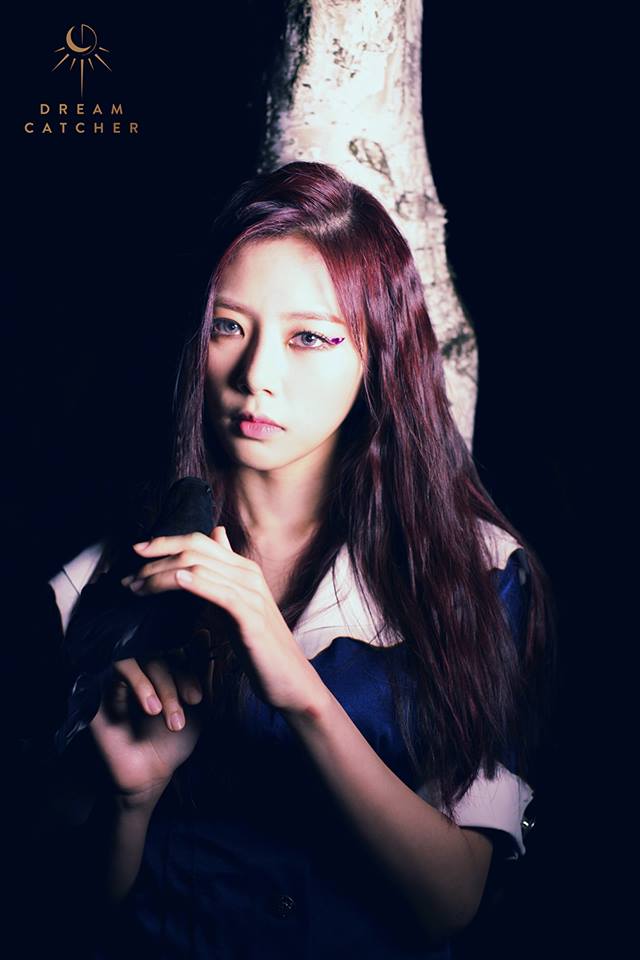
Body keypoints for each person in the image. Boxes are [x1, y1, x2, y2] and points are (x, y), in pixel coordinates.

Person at [42, 161, 555, 959]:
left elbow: (451, 901)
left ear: (379, 352)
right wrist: (130, 805)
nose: (257, 376)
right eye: (228, 327)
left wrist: (303, 694)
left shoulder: (478, 575)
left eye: (309, 337)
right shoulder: (94, 582)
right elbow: (55, 913)